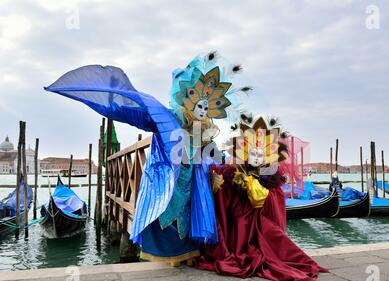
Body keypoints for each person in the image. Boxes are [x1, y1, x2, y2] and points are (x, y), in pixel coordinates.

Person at [45, 51, 251, 266]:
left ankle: (190, 256)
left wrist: (230, 166)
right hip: (168, 177)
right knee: (166, 214)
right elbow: (137, 115)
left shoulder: (204, 130)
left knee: (189, 217)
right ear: (187, 101)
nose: (203, 110)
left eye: (207, 107)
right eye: (199, 105)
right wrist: (111, 103)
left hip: (192, 182)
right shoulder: (167, 119)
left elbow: (214, 155)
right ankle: (172, 258)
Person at [197, 115, 328, 281]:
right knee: (239, 223)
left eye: (261, 154)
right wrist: (224, 182)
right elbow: (223, 188)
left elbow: (274, 200)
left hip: (261, 219)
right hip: (241, 218)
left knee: (272, 236)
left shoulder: (271, 176)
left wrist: (256, 190)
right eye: (253, 153)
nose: (257, 158)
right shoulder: (235, 171)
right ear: (244, 152)